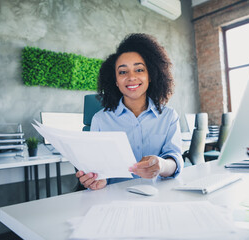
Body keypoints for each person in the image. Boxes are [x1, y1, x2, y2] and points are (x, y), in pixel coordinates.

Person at [76, 33, 183, 190]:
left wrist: (161, 165)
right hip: (114, 200)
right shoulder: (100, 120)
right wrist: (96, 179)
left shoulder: (169, 116)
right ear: (115, 81)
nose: (131, 77)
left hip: (157, 197)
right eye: (123, 72)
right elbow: (97, 168)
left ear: (151, 75)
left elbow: (175, 160)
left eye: (139, 70)